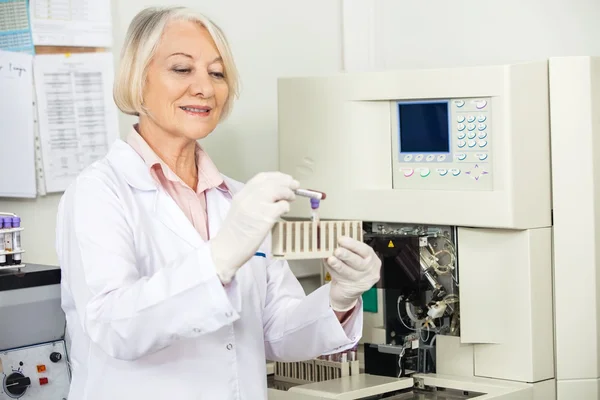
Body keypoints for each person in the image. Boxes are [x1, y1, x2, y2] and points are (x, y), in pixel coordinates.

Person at [55, 6, 381, 400]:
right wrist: (219, 259)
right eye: (181, 69)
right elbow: (114, 327)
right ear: (137, 80)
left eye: (217, 73)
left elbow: (277, 331)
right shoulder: (99, 192)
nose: (205, 88)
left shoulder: (239, 199)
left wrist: (340, 298)